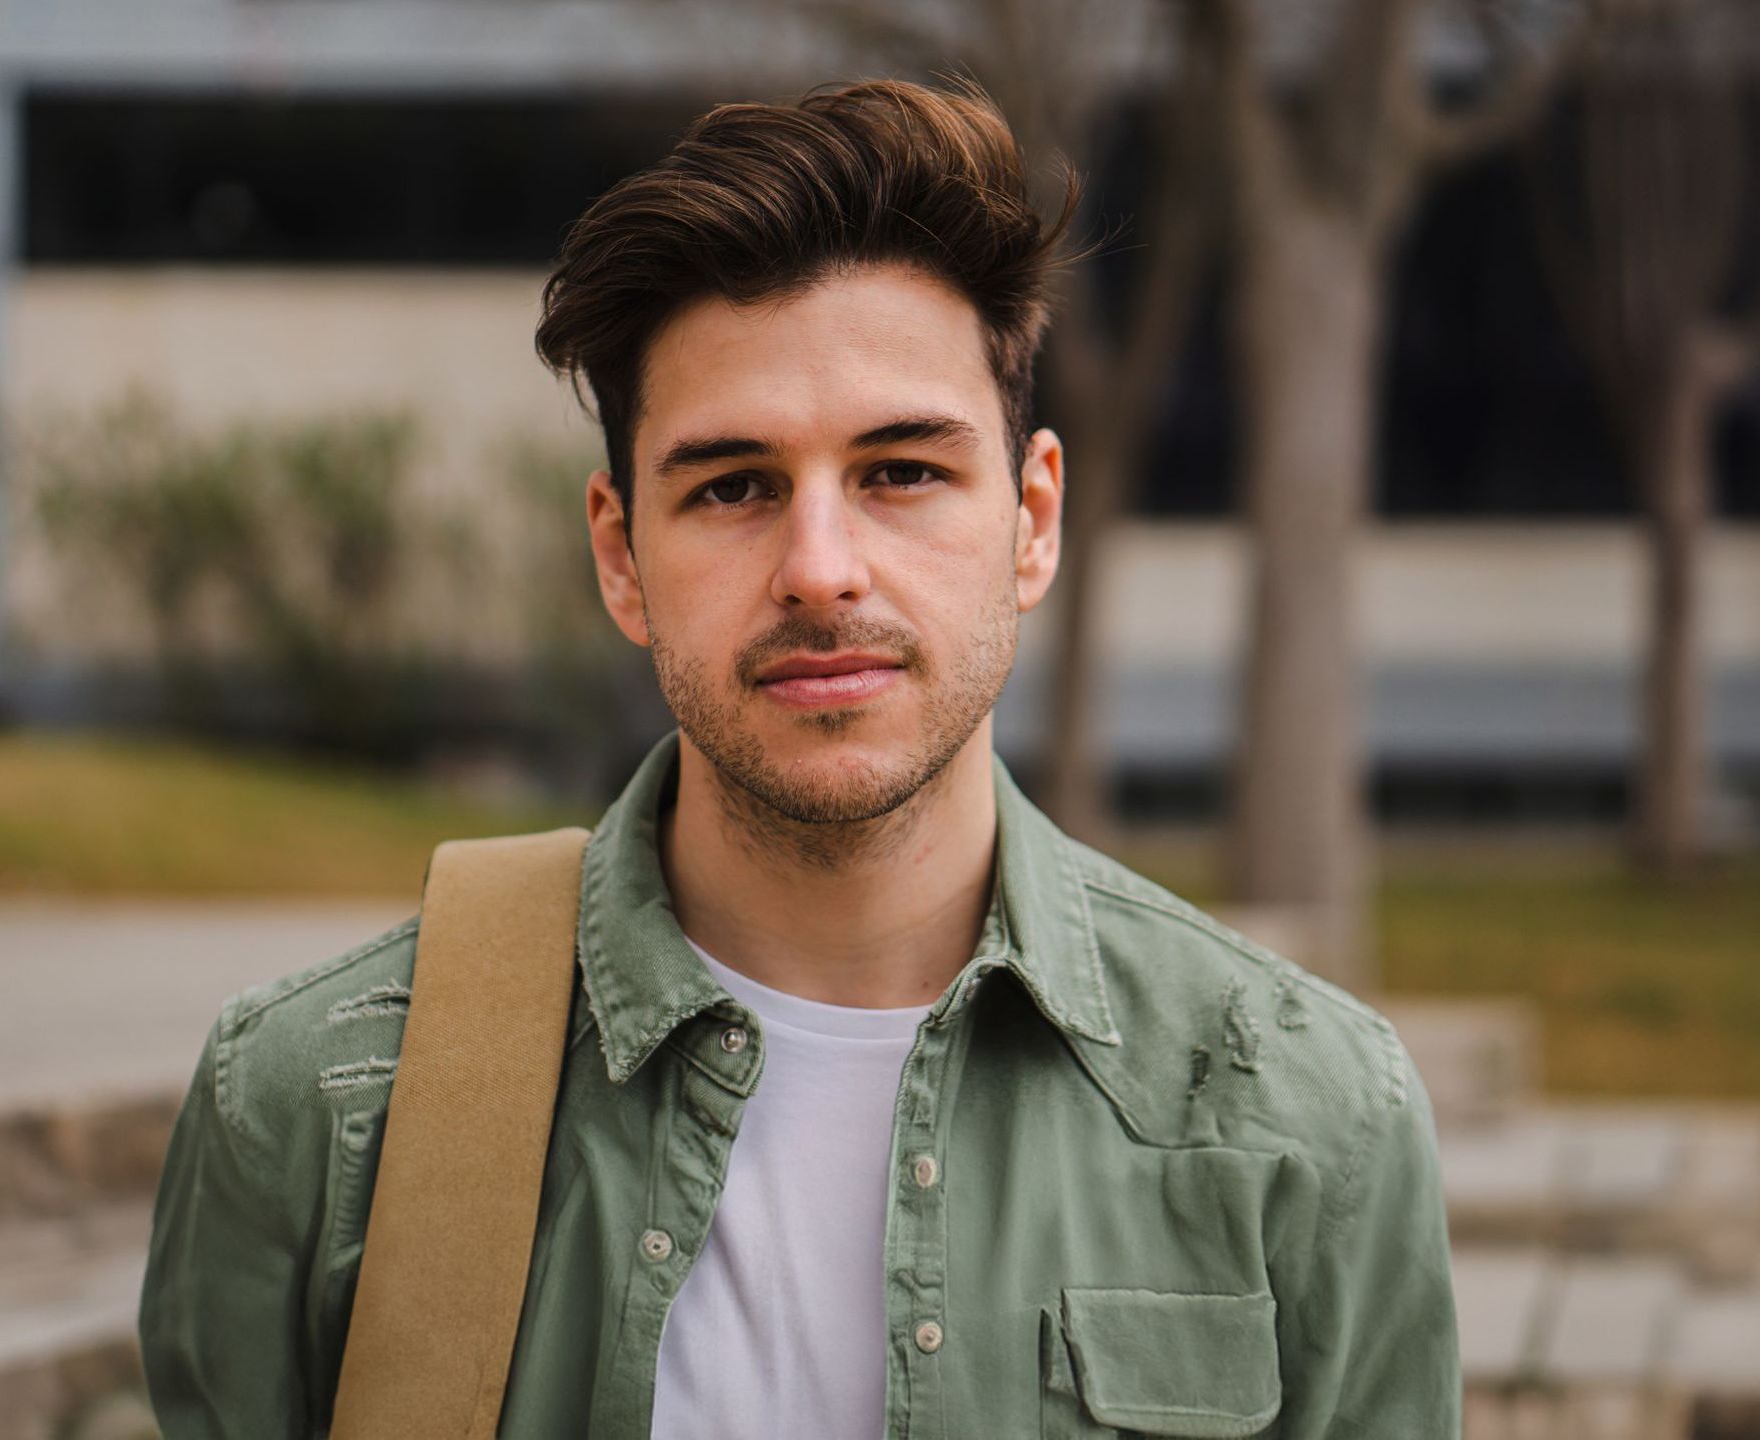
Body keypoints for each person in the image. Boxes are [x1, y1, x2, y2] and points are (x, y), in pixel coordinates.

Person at [138, 77, 1461, 1439]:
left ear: (1032, 521)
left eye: (901, 472)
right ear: (619, 553)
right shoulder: (312, 1112)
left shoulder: (1309, 1122)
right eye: (731, 487)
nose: (820, 572)